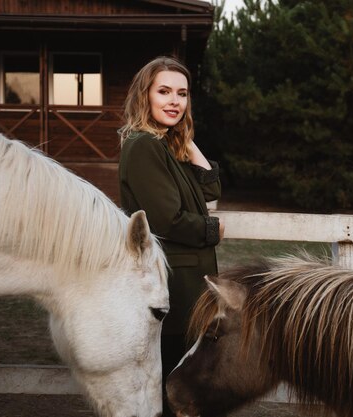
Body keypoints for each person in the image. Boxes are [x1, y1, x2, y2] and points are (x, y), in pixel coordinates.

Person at [118, 56, 224, 416]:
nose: (174, 101)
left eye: (182, 93)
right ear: (144, 96)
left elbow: (211, 189)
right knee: (173, 391)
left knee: (187, 390)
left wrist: (188, 140)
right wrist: (214, 230)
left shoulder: (167, 146)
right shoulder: (143, 146)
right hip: (172, 288)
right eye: (164, 92)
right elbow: (167, 220)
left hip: (191, 287)